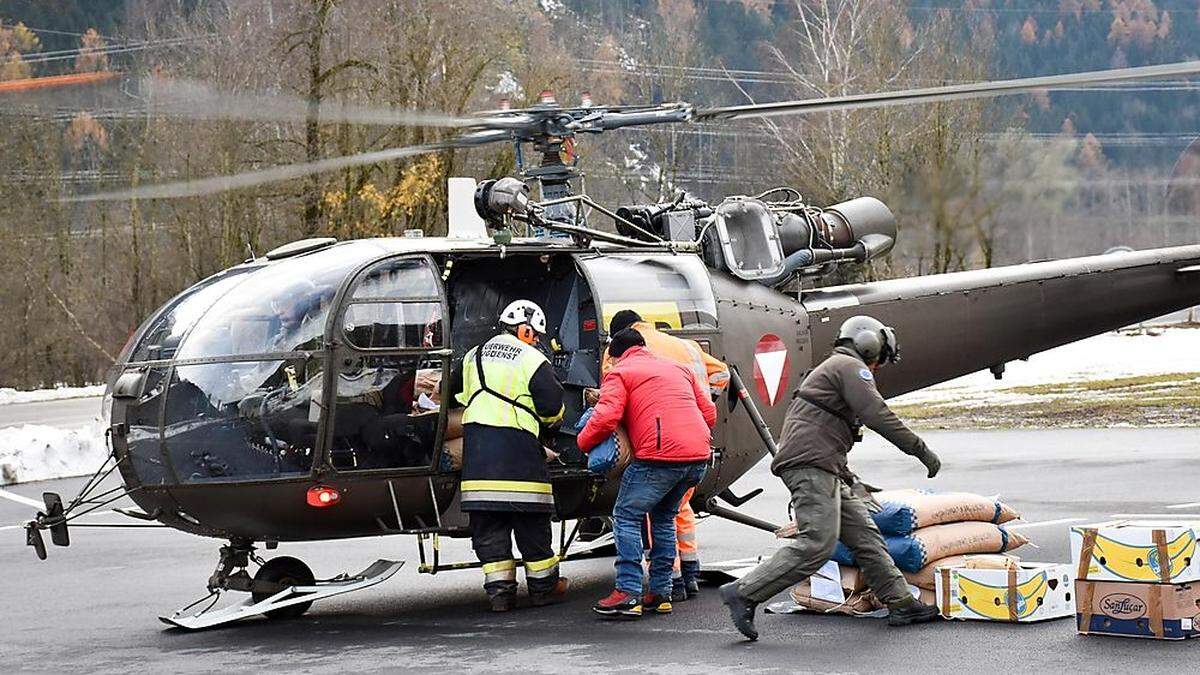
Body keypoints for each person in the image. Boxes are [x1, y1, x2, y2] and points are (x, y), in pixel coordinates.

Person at [719, 315, 942, 640]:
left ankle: (901, 603)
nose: (878, 367)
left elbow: (825, 433)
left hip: (826, 466)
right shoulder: (849, 367)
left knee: (865, 538)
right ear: (869, 344)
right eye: (880, 358)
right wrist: (920, 450)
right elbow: (876, 413)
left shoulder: (836, 369)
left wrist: (852, 482)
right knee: (817, 544)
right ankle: (744, 593)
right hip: (811, 466)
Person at [578, 328, 716, 619]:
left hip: (659, 458)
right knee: (663, 518)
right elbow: (710, 414)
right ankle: (661, 592)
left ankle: (628, 592)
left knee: (627, 516)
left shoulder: (621, 372)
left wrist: (583, 442)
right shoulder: (678, 369)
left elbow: (606, 417)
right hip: (697, 459)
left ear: (615, 355)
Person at [603, 309, 730, 600]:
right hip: (695, 440)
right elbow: (722, 373)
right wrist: (697, 406)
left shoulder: (625, 350)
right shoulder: (685, 345)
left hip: (658, 445)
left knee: (646, 514)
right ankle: (689, 572)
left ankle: (665, 582)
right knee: (678, 508)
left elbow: (610, 397)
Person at [456, 299, 568, 612]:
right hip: (518, 453)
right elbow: (551, 405)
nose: (536, 340)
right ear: (525, 330)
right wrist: (552, 422)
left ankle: (500, 595)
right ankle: (544, 590)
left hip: (477, 455)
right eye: (535, 334)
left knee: (489, 530)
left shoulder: (472, 356)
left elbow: (456, 393)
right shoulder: (531, 358)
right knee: (532, 527)